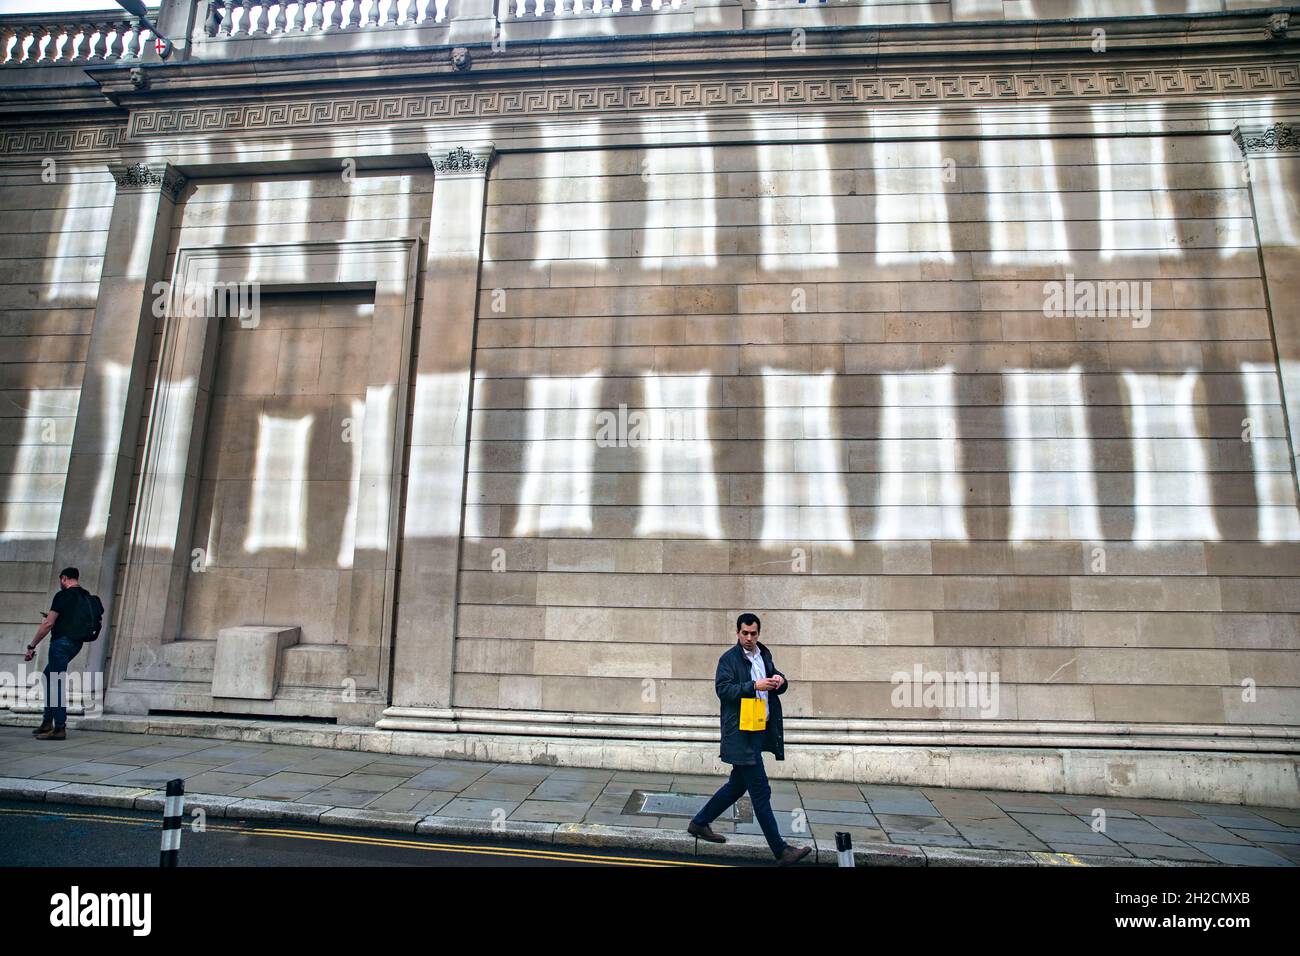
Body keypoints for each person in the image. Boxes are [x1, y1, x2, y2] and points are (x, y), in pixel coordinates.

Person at [688, 612, 811, 865]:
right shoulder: (728, 659)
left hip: (759, 731)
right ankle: (782, 851)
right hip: (741, 735)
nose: (749, 637)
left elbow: (777, 681)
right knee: (760, 791)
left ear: (758, 634)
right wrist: (753, 686)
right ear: (737, 633)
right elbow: (723, 690)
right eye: (744, 633)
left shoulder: (763, 655)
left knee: (737, 785)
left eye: (753, 633)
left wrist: (780, 680)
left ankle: (699, 822)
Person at [24, 567, 93, 741]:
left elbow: (48, 624)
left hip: (61, 643)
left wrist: (31, 646)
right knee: (48, 677)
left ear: (64, 578)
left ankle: (59, 727)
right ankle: (47, 722)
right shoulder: (85, 595)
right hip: (75, 644)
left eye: (60, 580)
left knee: (55, 682)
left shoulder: (62, 596)